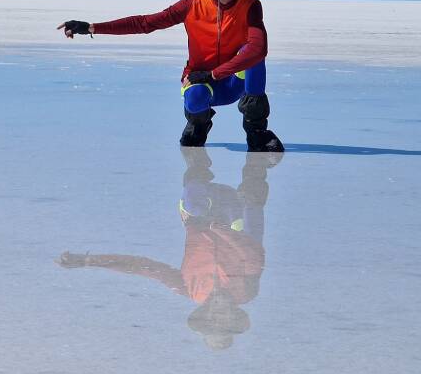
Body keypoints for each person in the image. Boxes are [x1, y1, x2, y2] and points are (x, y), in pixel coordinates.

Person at [57, 0, 283, 152]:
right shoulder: (192, 4)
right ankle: (198, 124)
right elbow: (145, 23)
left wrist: (214, 73)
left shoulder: (250, 5)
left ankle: (257, 132)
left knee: (253, 55)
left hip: (234, 82)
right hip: (201, 81)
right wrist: (92, 27)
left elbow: (258, 47)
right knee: (195, 96)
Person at [57, 147, 281, 350]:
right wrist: (222, 230)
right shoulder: (247, 292)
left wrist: (90, 261)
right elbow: (253, 257)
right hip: (237, 223)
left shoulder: (190, 289)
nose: (218, 314)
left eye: (212, 319)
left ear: (204, 314)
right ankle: (257, 166)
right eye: (223, 321)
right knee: (251, 224)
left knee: (193, 204)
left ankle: (196, 164)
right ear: (233, 317)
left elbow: (145, 268)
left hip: (200, 216)